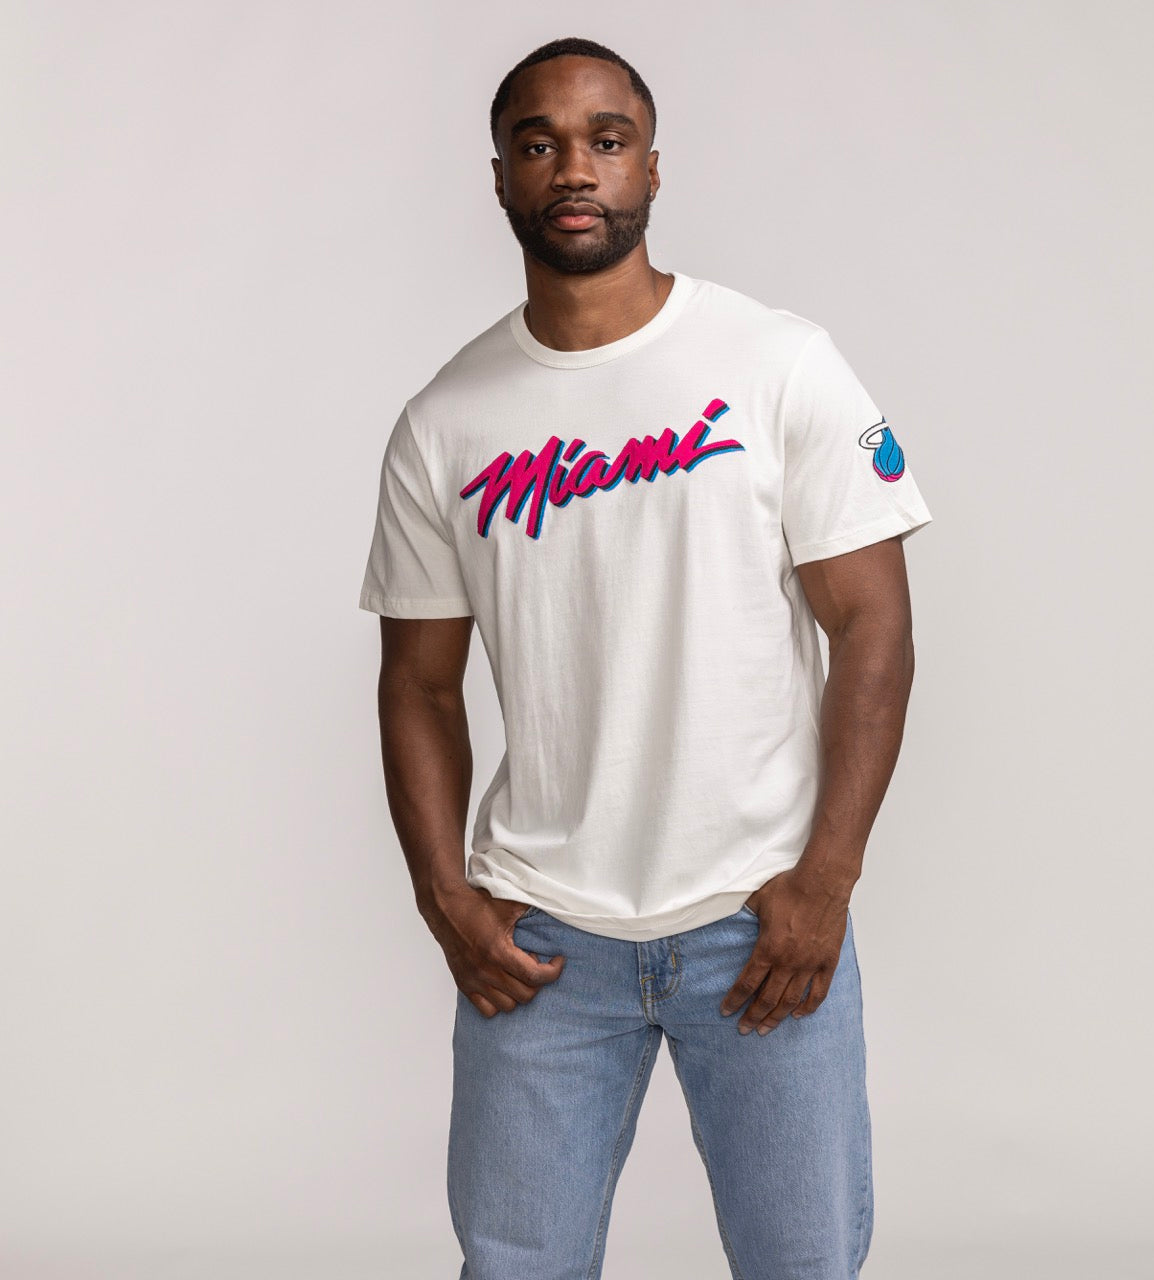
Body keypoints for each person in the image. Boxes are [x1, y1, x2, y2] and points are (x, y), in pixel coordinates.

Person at [357, 34, 933, 1280]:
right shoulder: (445, 421)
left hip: (761, 918)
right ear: (500, 178)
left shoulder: (777, 363)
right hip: (542, 944)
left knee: (801, 1264)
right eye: (539, 144)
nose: (574, 167)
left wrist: (825, 879)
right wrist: (446, 898)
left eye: (605, 140)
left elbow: (872, 627)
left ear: (652, 168)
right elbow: (417, 683)